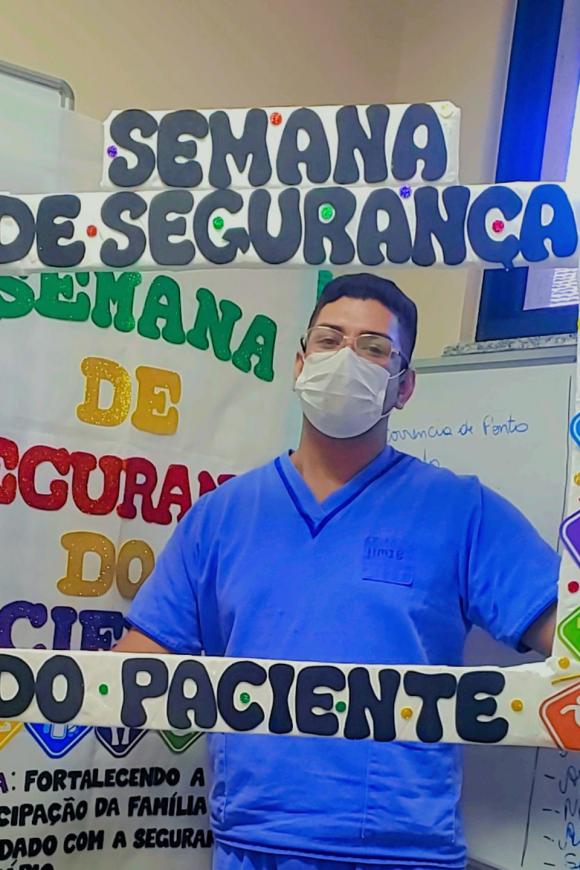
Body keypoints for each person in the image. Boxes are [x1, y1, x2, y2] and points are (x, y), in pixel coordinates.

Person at [115, 273, 558, 870]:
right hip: (252, 844)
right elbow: (135, 668)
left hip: (404, 852)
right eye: (329, 340)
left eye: (374, 348)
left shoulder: (462, 512)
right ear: (300, 363)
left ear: (404, 387)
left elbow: (565, 630)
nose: (347, 359)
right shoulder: (220, 516)